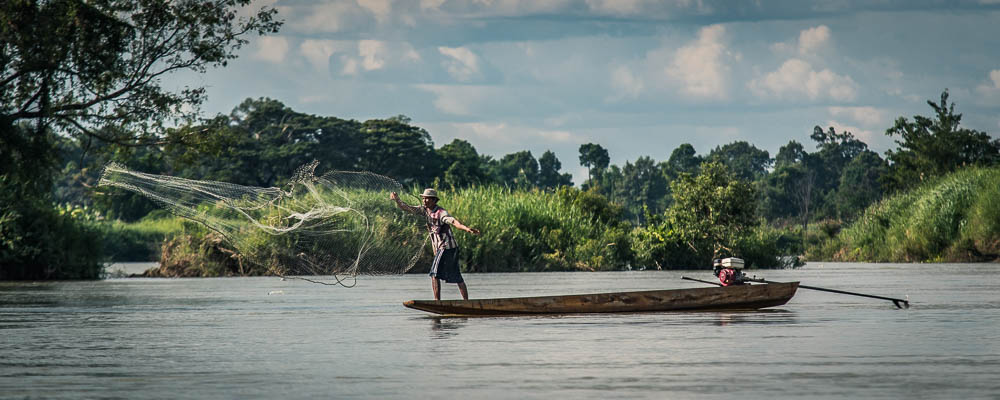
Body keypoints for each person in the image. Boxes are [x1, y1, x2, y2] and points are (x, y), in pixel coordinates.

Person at [391, 188, 480, 300]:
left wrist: (466, 228)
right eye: (423, 198)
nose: (424, 201)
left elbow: (452, 221)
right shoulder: (424, 210)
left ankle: (438, 301)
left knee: (434, 274)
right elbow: (407, 208)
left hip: (446, 247)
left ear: (434, 200)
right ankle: (466, 302)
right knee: (454, 275)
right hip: (445, 248)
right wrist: (397, 200)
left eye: (427, 199)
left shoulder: (440, 213)